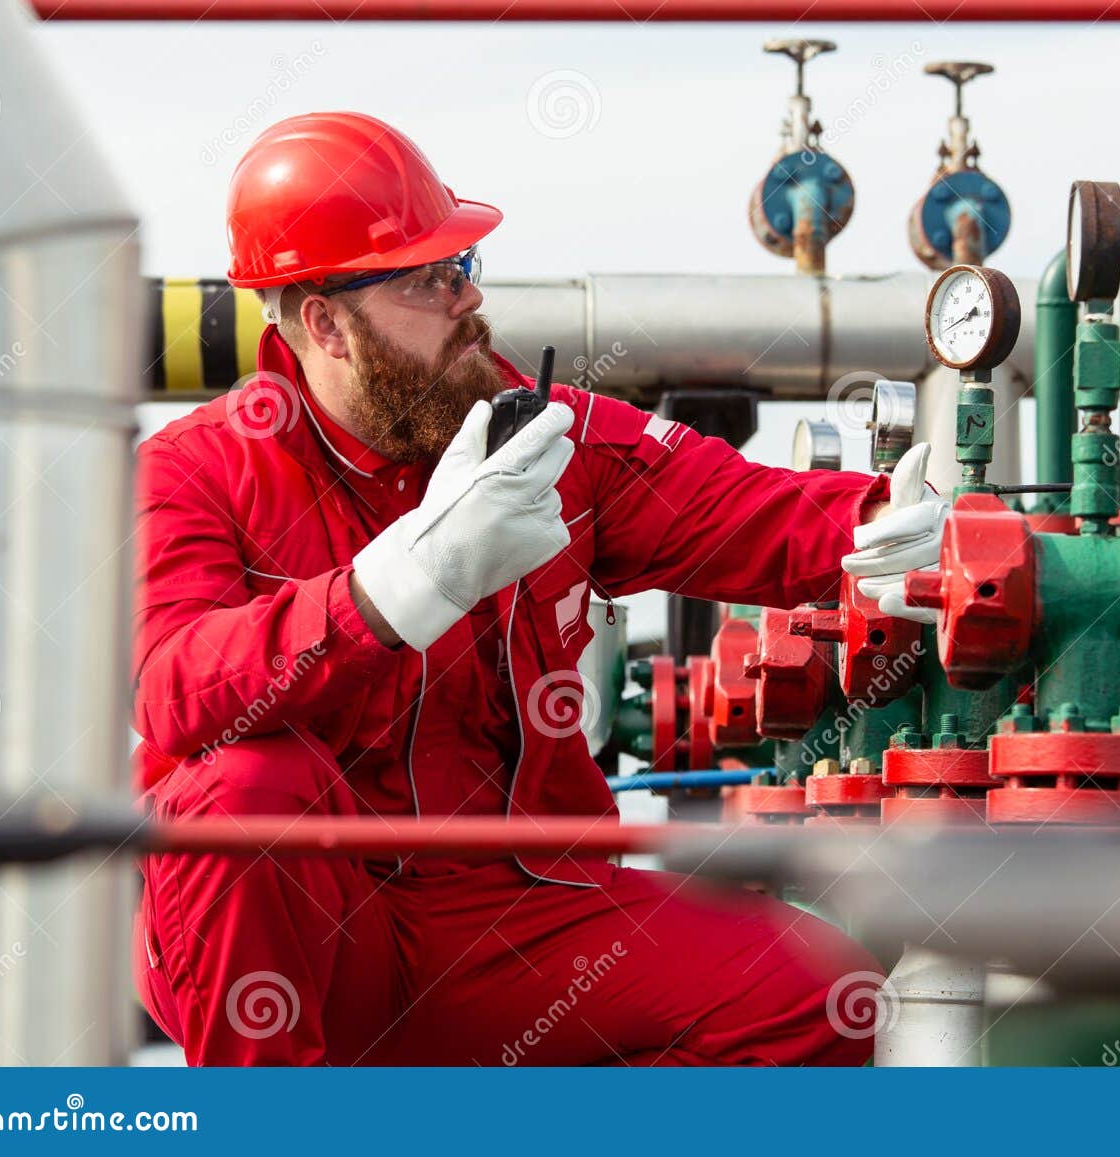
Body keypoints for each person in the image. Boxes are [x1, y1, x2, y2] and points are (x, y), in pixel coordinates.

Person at [130, 111, 947, 1065]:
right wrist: (400, 586)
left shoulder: (542, 442)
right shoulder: (197, 470)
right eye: (429, 279)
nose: (467, 297)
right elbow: (172, 684)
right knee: (237, 796)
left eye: (463, 265)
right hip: (319, 932)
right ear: (326, 323)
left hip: (519, 908)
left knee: (820, 995)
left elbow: (738, 508)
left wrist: (885, 523)